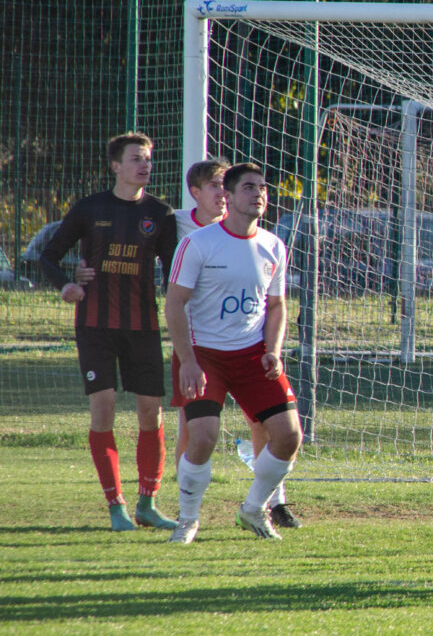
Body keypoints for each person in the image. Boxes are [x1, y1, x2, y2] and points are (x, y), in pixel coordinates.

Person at [40, 131, 178, 531]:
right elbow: (49, 256)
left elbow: (173, 275)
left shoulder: (161, 214)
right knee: (103, 408)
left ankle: (147, 503)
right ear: (116, 165)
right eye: (136, 158)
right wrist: (67, 284)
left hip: (143, 327)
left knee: (150, 413)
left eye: (149, 158)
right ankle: (115, 505)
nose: (145, 165)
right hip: (95, 326)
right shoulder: (90, 208)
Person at [164, 163, 302, 543]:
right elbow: (175, 303)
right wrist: (188, 361)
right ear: (228, 195)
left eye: (263, 188)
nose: (258, 194)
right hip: (203, 355)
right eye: (248, 187)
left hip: (253, 354)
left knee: (289, 436)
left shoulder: (274, 245)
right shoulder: (200, 243)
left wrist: (273, 349)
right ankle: (188, 519)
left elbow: (276, 306)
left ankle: (254, 509)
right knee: (203, 437)